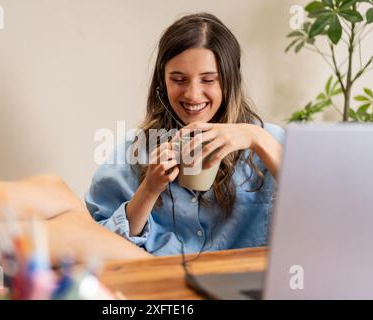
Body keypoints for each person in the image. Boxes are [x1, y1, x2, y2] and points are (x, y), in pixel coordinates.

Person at [85, 13, 284, 256]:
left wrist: (257, 138)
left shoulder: (269, 141)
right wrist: (149, 189)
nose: (192, 94)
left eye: (209, 80)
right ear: (162, 82)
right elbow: (99, 247)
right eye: (178, 79)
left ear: (230, 82)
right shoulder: (132, 153)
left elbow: (323, 212)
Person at [0, 175, 150, 281]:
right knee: (53, 187)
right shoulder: (139, 147)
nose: (188, 96)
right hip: (143, 255)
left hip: (173, 272)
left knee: (77, 236)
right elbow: (110, 229)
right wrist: (151, 188)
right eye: (177, 79)